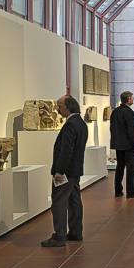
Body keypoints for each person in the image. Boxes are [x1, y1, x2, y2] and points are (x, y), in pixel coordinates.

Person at [41, 95, 87, 247]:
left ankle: (59, 235)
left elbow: (66, 151)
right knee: (74, 201)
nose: (58, 110)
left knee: (59, 202)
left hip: (66, 171)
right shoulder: (80, 123)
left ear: (68, 107)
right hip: (75, 170)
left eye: (59, 107)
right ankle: (75, 231)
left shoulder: (70, 125)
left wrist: (59, 171)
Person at [110, 91, 134, 198]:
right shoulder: (130, 113)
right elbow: (132, 131)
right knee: (131, 168)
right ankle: (131, 191)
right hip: (128, 145)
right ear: (128, 99)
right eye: (132, 98)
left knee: (120, 167)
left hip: (118, 144)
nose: (133, 100)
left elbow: (113, 129)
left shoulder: (115, 112)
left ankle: (118, 190)